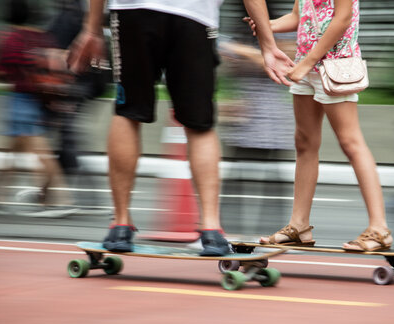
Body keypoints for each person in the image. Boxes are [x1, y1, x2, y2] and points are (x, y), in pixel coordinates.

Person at [67, 0, 294, 255]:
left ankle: (120, 224)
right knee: (200, 124)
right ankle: (211, 229)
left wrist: (91, 27)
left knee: (128, 112)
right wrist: (267, 44)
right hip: (194, 14)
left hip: (134, 10)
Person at [245, 0, 392, 251]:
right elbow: (298, 15)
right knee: (304, 142)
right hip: (307, 66)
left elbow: (342, 19)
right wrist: (267, 25)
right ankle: (299, 225)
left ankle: (379, 229)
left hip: (336, 64)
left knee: (350, 142)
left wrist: (306, 63)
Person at [0, 0, 72, 216]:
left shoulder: (10, 38)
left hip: (19, 99)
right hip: (41, 100)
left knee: (40, 152)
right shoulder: (42, 37)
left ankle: (61, 200)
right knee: (11, 151)